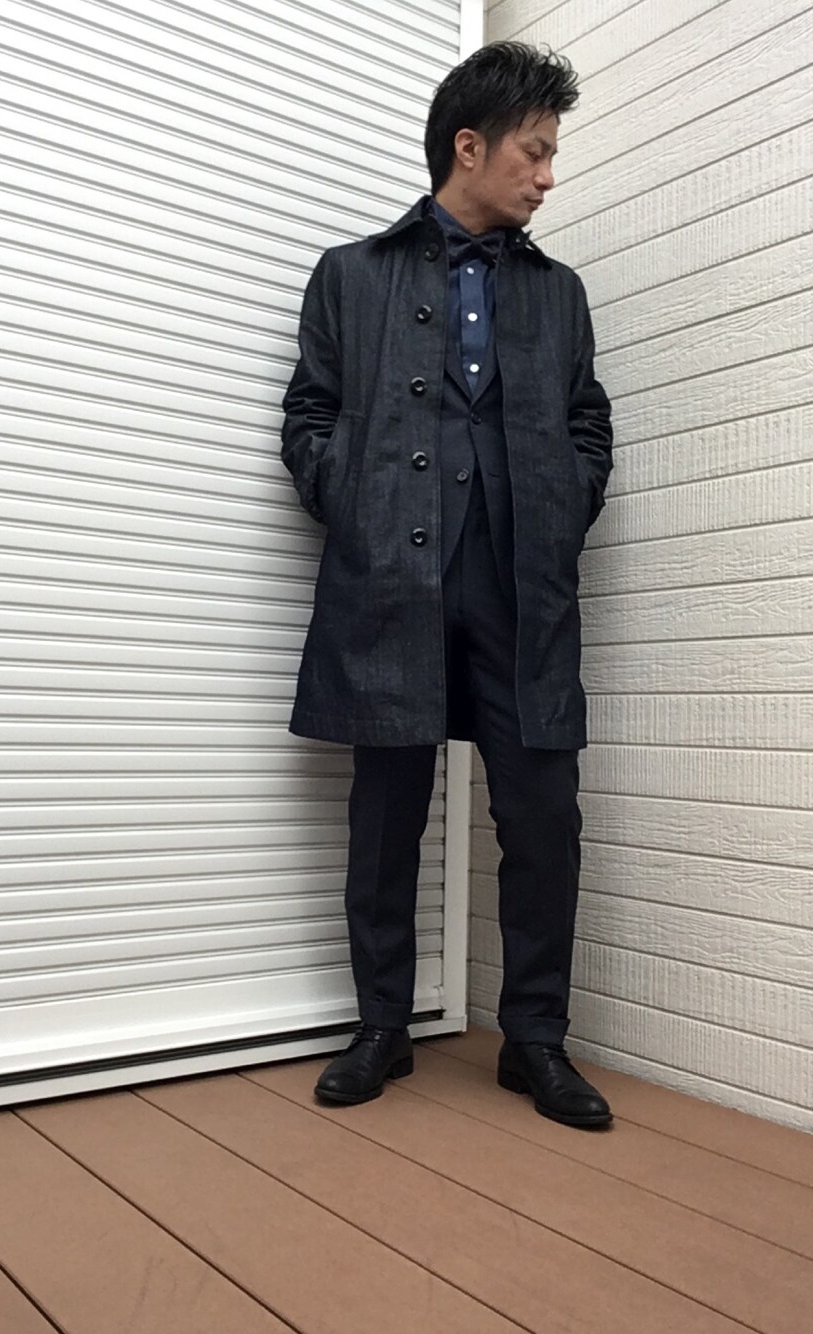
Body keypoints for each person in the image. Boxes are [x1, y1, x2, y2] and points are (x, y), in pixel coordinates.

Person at [280, 42, 614, 1128]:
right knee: (385, 812)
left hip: (522, 586)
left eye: (550, 154)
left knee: (544, 816)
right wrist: (354, 500)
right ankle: (381, 1025)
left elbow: (588, 422)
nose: (547, 175)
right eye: (534, 151)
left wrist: (565, 502)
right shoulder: (351, 274)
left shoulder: (558, 294)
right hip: (393, 579)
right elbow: (309, 413)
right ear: (468, 147)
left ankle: (536, 1040)